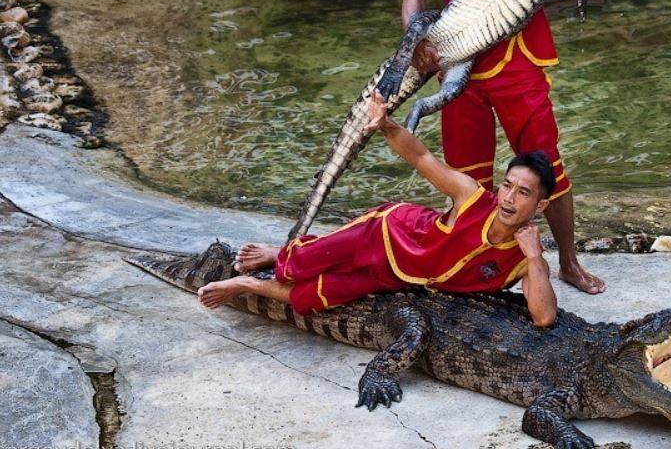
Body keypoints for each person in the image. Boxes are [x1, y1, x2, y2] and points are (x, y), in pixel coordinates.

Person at [401, 0, 605, 294]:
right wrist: (415, 39)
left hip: (520, 65)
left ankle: (568, 263)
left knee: (549, 169)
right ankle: (476, 269)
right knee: (466, 179)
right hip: (462, 72)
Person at [197, 91, 558, 327]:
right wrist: (386, 125)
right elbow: (422, 157)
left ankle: (246, 284)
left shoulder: (524, 259)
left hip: (398, 277)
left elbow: (543, 317)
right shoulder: (472, 197)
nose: (508, 198)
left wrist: (535, 257)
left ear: (540, 205)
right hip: (386, 233)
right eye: (507, 185)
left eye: (523, 192)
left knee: (315, 296)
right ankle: (278, 253)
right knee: (295, 265)